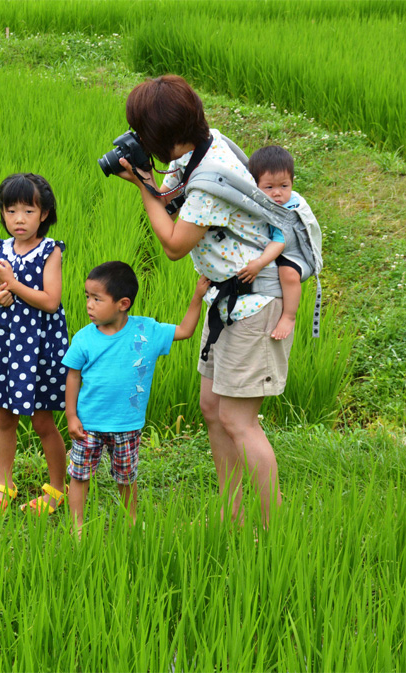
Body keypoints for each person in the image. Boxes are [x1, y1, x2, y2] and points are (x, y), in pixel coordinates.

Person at [115, 74, 290, 526]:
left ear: (167, 135)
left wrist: (140, 185)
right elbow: (174, 198)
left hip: (253, 305)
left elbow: (174, 245)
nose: (140, 139)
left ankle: (273, 529)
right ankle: (231, 515)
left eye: (144, 132)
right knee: (213, 410)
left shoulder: (212, 176)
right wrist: (153, 182)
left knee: (239, 421)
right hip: (225, 303)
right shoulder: (204, 147)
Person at [64, 262, 208, 537]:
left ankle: (131, 521)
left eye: (96, 298)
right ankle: (77, 527)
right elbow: (72, 376)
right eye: (87, 297)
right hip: (89, 424)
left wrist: (197, 297)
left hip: (127, 424)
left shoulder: (147, 331)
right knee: (79, 476)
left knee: (126, 478)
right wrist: (71, 415)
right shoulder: (84, 338)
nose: (89, 305)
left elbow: (185, 330)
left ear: (123, 303)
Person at [0, 173, 69, 517]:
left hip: (39, 349)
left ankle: (57, 489)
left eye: (28, 211)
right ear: (2, 213)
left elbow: (50, 301)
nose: (19, 219)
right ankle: (5, 484)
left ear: (43, 214)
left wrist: (12, 285)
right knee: (4, 418)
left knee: (42, 420)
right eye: (11, 210)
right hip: (4, 344)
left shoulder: (50, 251)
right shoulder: (0, 249)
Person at [237, 145, 305, 340]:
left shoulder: (287, 207)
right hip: (277, 246)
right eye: (269, 187)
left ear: (292, 183)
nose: (277, 193)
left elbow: (280, 241)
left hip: (291, 250)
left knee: (288, 273)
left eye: (284, 186)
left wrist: (259, 263)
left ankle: (289, 316)